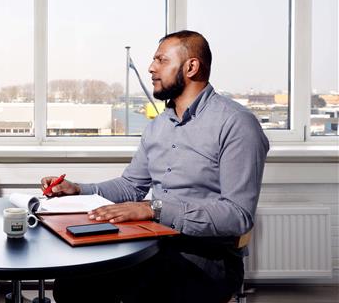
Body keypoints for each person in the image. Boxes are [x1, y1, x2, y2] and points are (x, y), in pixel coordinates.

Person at [41, 30, 269, 303]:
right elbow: (130, 187)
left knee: (144, 293)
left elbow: (237, 215)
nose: (151, 68)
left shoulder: (236, 123)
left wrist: (153, 209)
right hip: (152, 246)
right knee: (72, 285)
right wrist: (77, 189)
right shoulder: (158, 126)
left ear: (191, 67)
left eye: (161, 60)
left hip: (206, 258)